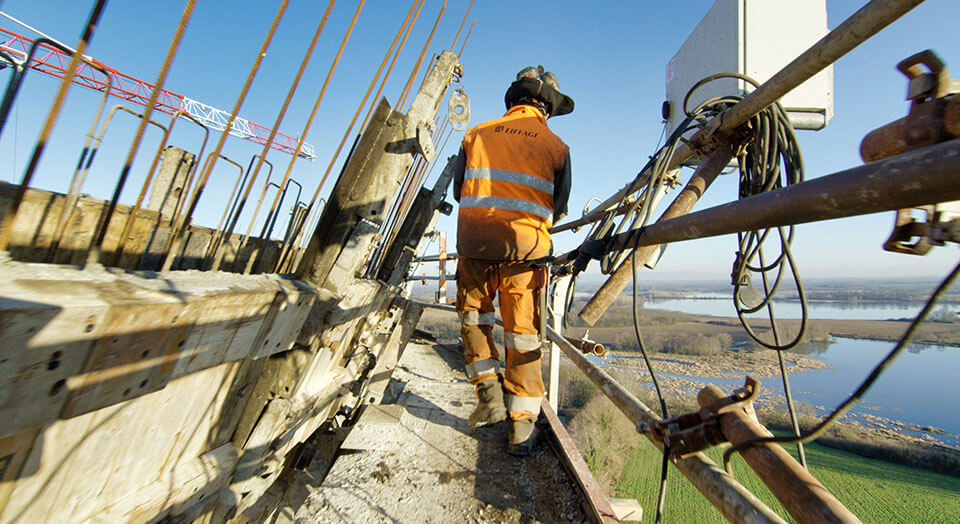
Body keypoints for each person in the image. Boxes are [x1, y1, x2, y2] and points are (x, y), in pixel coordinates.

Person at [452, 65, 574, 456]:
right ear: (547, 106)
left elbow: (459, 191)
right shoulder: (556, 146)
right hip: (525, 250)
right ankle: (520, 430)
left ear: (513, 99)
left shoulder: (475, 134)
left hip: (474, 243)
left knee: (474, 317)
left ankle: (487, 394)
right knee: (522, 334)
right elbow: (560, 207)